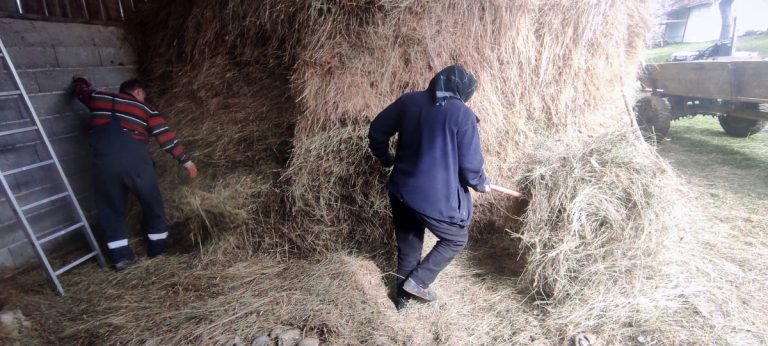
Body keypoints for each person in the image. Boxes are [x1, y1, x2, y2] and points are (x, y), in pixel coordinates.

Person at [367, 65, 490, 310]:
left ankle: (402, 301)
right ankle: (419, 281)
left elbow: (377, 131)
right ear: (464, 91)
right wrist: (480, 183)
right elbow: (470, 166)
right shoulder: (463, 115)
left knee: (409, 245)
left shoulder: (409, 101)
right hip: (434, 197)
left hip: (401, 190)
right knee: (456, 239)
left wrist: (385, 158)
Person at [72, 77, 198, 271]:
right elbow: (166, 138)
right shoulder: (146, 109)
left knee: (111, 207)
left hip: (104, 164)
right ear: (138, 92)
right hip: (136, 164)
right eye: (143, 95)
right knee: (152, 203)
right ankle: (158, 250)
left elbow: (80, 92)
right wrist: (186, 162)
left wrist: (80, 82)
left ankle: (121, 257)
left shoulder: (97, 98)